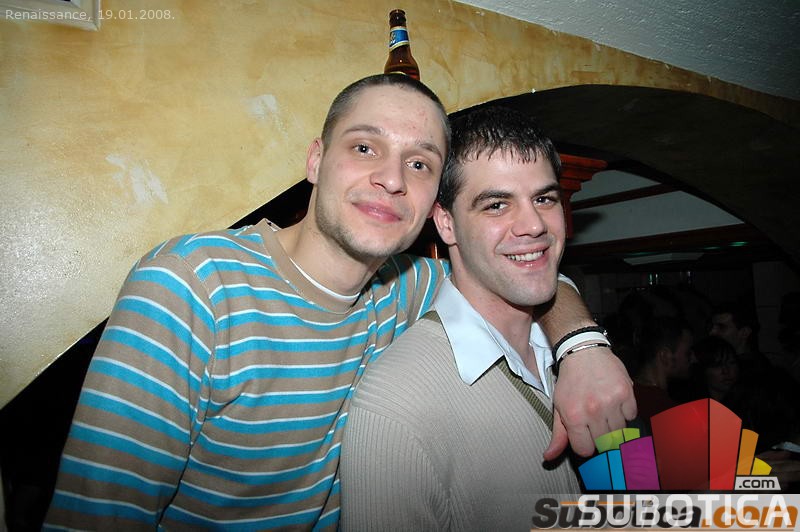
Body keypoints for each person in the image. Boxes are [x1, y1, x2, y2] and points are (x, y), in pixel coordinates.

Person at [44, 75, 634, 530]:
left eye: (419, 163)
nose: (392, 178)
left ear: (434, 205)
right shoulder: (194, 286)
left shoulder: (405, 285)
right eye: (365, 148)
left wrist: (583, 346)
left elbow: (522, 271)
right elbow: (95, 517)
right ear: (315, 160)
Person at [340, 107, 588, 530]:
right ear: (447, 224)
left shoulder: (567, 350)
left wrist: (585, 345)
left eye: (544, 199)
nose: (533, 225)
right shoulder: (398, 405)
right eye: (497, 205)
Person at [631, 316, 694, 433]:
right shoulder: (667, 412)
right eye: (688, 353)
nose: (694, 359)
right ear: (665, 356)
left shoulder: (625, 396)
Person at [709, 301, 771, 375]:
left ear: (744, 332)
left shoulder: (756, 370)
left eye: (721, 327)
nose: (712, 332)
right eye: (712, 327)